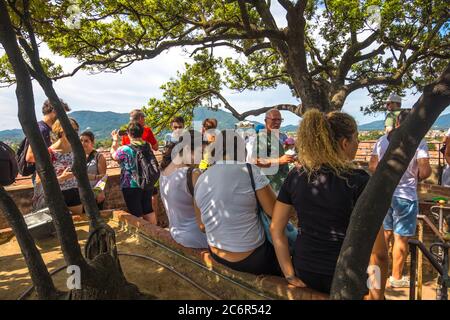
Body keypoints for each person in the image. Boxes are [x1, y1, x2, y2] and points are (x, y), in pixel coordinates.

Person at [271, 109, 388, 299]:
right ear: (344, 143)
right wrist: (377, 293)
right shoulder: (358, 181)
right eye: (356, 138)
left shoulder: (296, 175)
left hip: (305, 271)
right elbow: (379, 253)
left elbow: (276, 228)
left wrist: (289, 273)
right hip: (346, 276)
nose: (358, 143)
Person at [194, 130, 281, 276]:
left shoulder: (202, 178)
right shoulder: (250, 171)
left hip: (216, 253)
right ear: (242, 150)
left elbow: (202, 227)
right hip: (252, 257)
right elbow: (274, 212)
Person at [369, 109, 431, 288]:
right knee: (401, 239)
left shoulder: (382, 141)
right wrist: (413, 176)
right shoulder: (419, 142)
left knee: (384, 235)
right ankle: (396, 278)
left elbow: (373, 166)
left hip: (383, 194)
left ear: (397, 123)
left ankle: (377, 278)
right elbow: (425, 171)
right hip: (406, 196)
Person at [159, 130, 208, 248]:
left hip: (176, 233)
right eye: (200, 152)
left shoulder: (164, 170)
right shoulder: (192, 173)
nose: (201, 158)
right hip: (197, 238)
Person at [30, 118, 83, 214]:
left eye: (76, 130)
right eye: (71, 130)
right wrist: (61, 178)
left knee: (78, 223)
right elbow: (38, 181)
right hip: (55, 194)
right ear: (60, 131)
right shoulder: (49, 153)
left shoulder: (77, 150)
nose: (74, 133)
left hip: (74, 192)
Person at [111, 122, 156, 223]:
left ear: (129, 134)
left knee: (136, 214)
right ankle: (155, 233)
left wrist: (114, 140)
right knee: (148, 209)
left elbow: (113, 155)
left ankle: (141, 235)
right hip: (146, 182)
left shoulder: (125, 149)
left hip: (131, 184)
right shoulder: (147, 145)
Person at [24, 99, 71, 182]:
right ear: (54, 111)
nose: (63, 118)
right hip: (44, 179)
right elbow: (30, 157)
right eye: (62, 114)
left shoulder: (48, 129)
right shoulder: (41, 130)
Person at [254, 109, 295, 193]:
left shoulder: (273, 135)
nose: (277, 122)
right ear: (265, 120)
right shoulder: (262, 137)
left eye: (279, 120)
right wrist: (279, 160)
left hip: (280, 183)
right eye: (274, 119)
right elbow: (257, 161)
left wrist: (286, 153)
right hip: (272, 186)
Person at [80, 131, 107, 209]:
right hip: (81, 194)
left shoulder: (98, 157)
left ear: (92, 142)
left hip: (94, 194)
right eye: (81, 140)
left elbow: (103, 176)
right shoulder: (79, 157)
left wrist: (99, 192)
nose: (83, 143)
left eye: (86, 141)